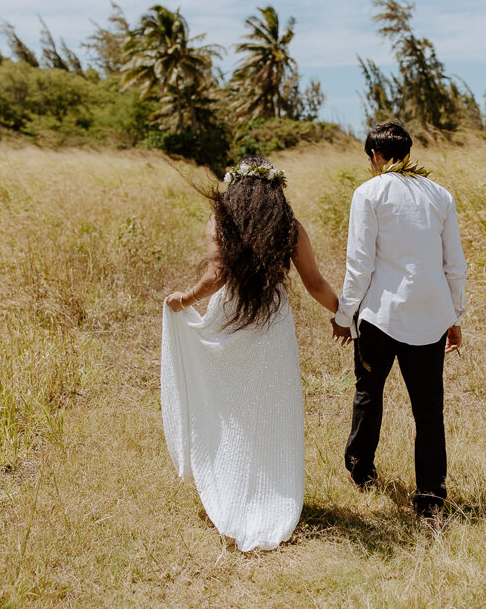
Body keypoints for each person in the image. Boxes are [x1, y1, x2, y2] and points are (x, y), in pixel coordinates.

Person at [161, 156, 339, 551]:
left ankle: (230, 482)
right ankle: (273, 491)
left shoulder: (220, 221)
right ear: (276, 190)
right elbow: (315, 283)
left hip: (230, 314)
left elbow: (219, 274)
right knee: (272, 409)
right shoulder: (289, 227)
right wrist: (346, 313)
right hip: (273, 322)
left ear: (234, 188)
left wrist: (185, 299)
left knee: (229, 408)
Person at [331, 121, 467, 519]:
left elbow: (360, 265)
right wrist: (454, 315)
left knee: (369, 393)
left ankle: (360, 470)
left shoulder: (368, 192)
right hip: (429, 316)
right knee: (428, 408)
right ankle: (430, 495)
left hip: (381, 316)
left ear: (375, 156)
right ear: (406, 152)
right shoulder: (440, 195)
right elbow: (454, 265)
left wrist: (344, 315)